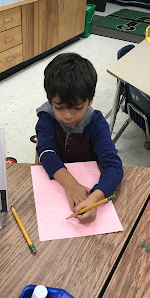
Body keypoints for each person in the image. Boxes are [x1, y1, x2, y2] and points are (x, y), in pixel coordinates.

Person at [36, 53, 123, 224]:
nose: (68, 116)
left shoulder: (97, 123)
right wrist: (70, 185)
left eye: (77, 108)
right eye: (59, 107)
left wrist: (95, 199)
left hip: (89, 184)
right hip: (58, 185)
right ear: (50, 101)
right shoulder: (47, 118)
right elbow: (45, 153)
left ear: (90, 100)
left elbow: (114, 167)